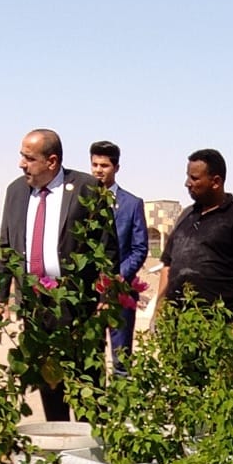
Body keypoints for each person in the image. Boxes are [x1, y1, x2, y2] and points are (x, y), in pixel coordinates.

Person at [0, 129, 119, 421]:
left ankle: (91, 443)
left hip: (80, 306)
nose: (21, 164)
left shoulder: (87, 188)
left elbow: (108, 247)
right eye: (22, 156)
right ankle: (58, 437)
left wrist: (106, 294)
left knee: (88, 385)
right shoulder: (16, 191)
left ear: (51, 161)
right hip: (35, 307)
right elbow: (6, 248)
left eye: (28, 158)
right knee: (50, 381)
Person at [156, 148, 233, 380]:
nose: (187, 183)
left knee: (219, 391)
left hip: (218, 330)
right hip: (179, 329)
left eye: (194, 178)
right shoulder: (186, 216)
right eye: (187, 176)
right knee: (180, 391)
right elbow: (167, 264)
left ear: (216, 181)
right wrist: (159, 310)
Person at [87, 139, 149, 370]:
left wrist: (116, 278)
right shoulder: (82, 202)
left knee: (121, 360)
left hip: (121, 293)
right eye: (95, 165)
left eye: (104, 165)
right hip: (89, 295)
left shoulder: (132, 204)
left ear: (116, 168)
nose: (98, 170)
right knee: (90, 360)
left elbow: (140, 248)